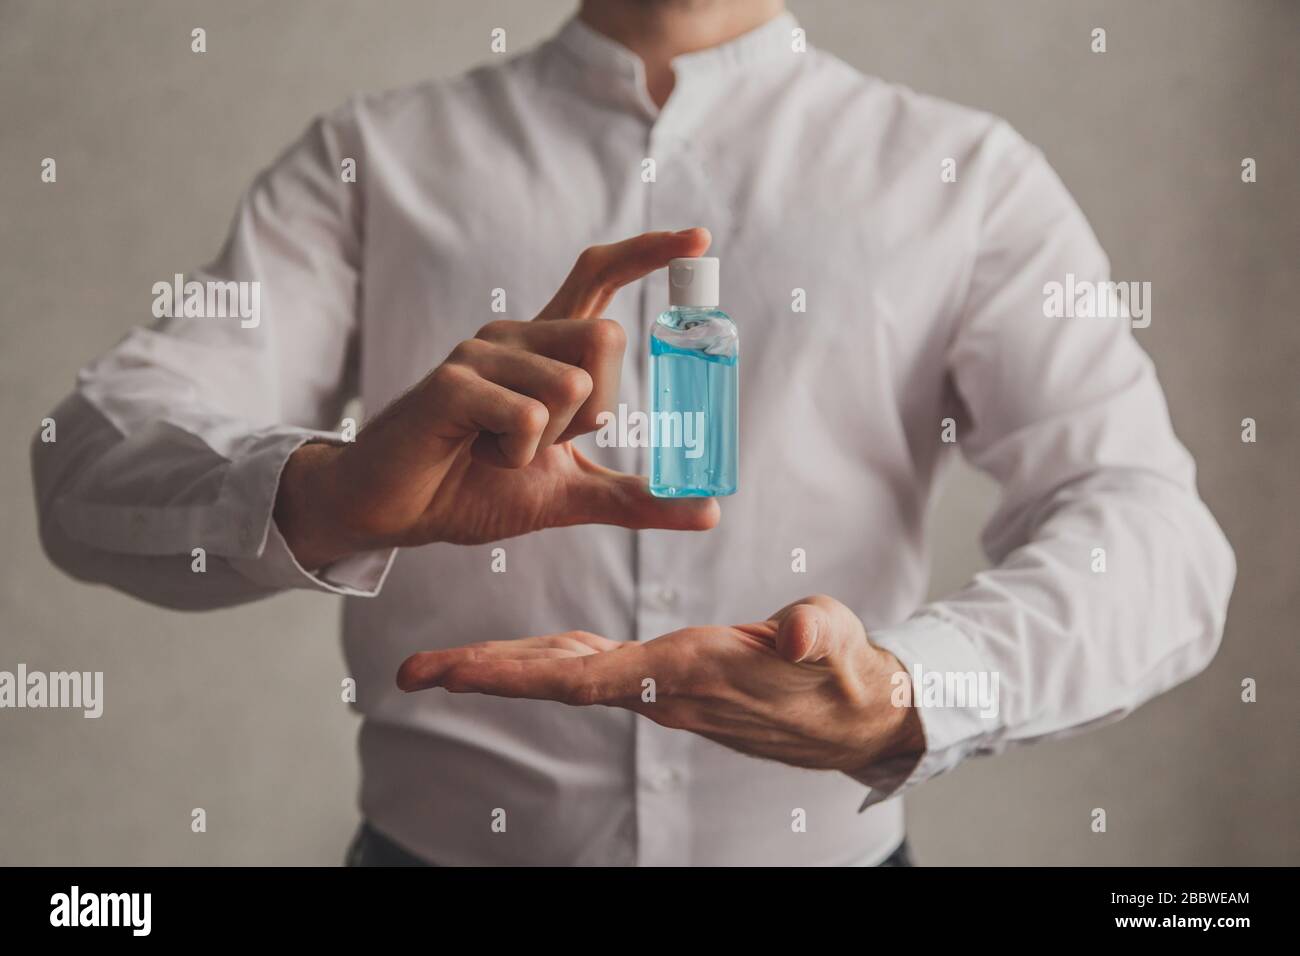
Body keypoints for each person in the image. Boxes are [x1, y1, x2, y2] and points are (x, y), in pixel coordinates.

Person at [31, 0, 1235, 866]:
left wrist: (910, 689)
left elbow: (1153, 535)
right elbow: (89, 455)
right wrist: (332, 490)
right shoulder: (374, 160)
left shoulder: (965, 177)